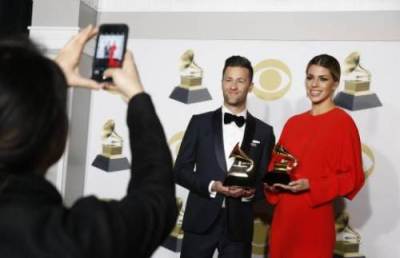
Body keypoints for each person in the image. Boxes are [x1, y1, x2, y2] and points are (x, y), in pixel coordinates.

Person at [0, 25, 177, 258]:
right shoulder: (78, 239)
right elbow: (157, 199)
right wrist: (137, 96)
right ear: (57, 139)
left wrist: (52, 80)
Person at [264, 54, 365, 258]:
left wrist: (311, 184)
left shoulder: (343, 123)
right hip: (284, 218)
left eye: (323, 78)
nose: (314, 84)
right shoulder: (293, 123)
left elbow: (352, 177)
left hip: (315, 219)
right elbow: (276, 166)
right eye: (310, 77)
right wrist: (272, 182)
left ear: (335, 83)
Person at [174, 56, 275, 258]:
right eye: (228, 80)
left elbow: (266, 182)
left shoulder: (264, 132)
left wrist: (250, 193)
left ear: (251, 86)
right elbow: (180, 171)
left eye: (240, 81)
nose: (233, 87)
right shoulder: (199, 123)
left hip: (238, 227)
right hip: (200, 221)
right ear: (222, 83)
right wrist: (213, 186)